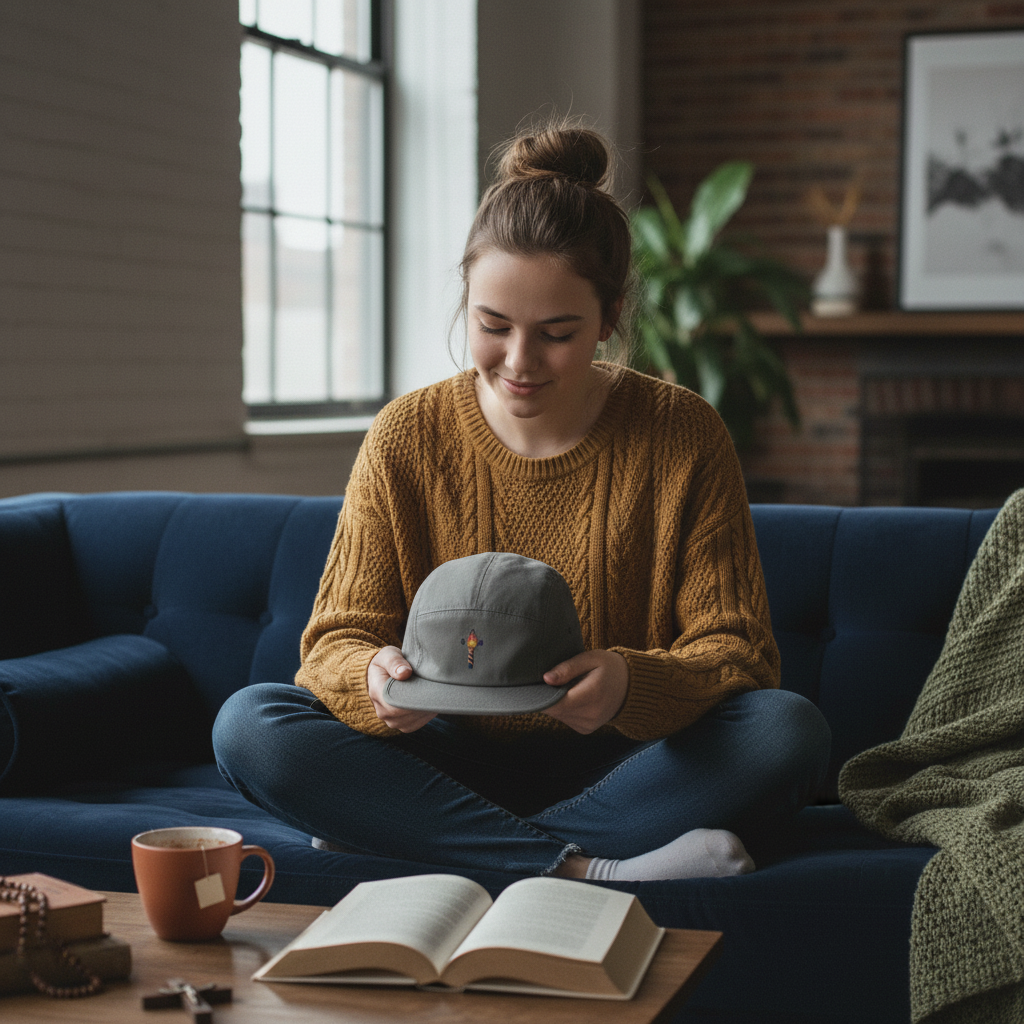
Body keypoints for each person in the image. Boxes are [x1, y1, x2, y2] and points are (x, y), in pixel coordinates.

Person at [213, 122, 830, 882]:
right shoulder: (406, 435)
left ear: (608, 319)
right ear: (466, 302)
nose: (520, 362)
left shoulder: (682, 433)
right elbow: (332, 645)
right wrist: (374, 679)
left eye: (558, 333)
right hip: (442, 758)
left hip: (623, 765)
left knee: (786, 730)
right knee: (250, 725)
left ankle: (410, 837)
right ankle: (586, 871)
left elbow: (739, 653)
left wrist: (631, 685)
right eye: (493, 326)